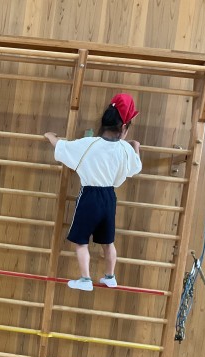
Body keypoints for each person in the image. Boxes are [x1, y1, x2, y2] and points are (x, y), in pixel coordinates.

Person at [44, 93, 142, 291]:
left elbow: (62, 147)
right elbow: (136, 167)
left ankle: (85, 279)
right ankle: (110, 276)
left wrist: (51, 137)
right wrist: (136, 147)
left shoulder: (88, 144)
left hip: (90, 196)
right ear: (124, 128)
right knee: (108, 242)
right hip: (109, 198)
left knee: (81, 241)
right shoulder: (125, 149)